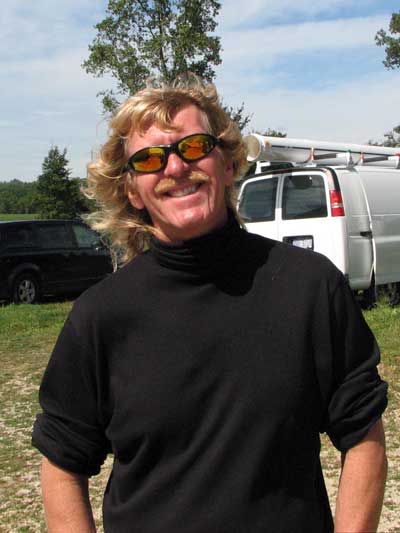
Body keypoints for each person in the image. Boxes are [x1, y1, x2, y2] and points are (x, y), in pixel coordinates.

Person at [32, 76, 388, 533]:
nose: (176, 166)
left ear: (227, 162)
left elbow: (363, 434)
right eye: (149, 158)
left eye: (194, 146)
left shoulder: (310, 288)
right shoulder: (100, 316)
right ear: (132, 190)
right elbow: (62, 464)